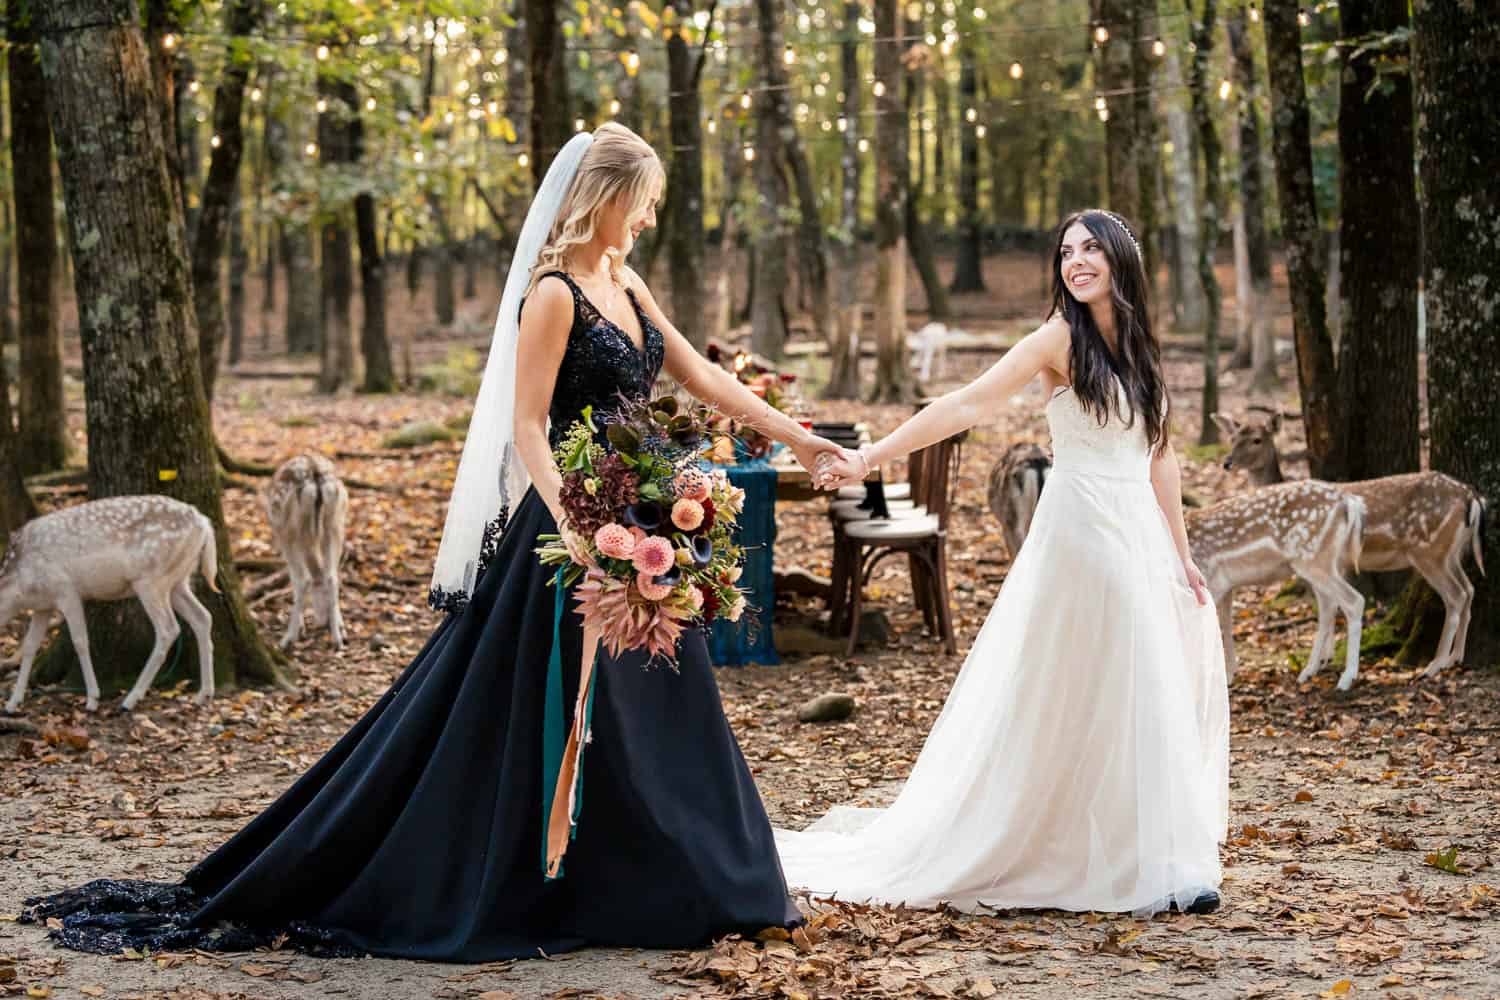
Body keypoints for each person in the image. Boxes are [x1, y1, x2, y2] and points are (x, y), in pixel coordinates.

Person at [23, 123, 836, 961]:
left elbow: (703, 378)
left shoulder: (626, 283)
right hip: (572, 533)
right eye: (644, 202)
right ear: (607, 198)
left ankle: (686, 877)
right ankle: (557, 878)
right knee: (541, 714)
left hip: (644, 522)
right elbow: (528, 427)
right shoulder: (555, 292)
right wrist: (580, 525)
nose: (649, 218)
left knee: (660, 705)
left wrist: (799, 437)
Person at [791, 209, 1229, 917]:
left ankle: (1153, 854)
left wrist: (1181, 554)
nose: (1076, 261)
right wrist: (871, 457)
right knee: (1122, 670)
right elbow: (970, 400)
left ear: (1122, 258)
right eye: (1066, 252)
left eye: (1090, 249)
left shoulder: (1143, 347)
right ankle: (1106, 857)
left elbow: (1162, 455)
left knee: (1139, 681)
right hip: (1083, 528)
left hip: (1139, 531)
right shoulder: (1060, 337)